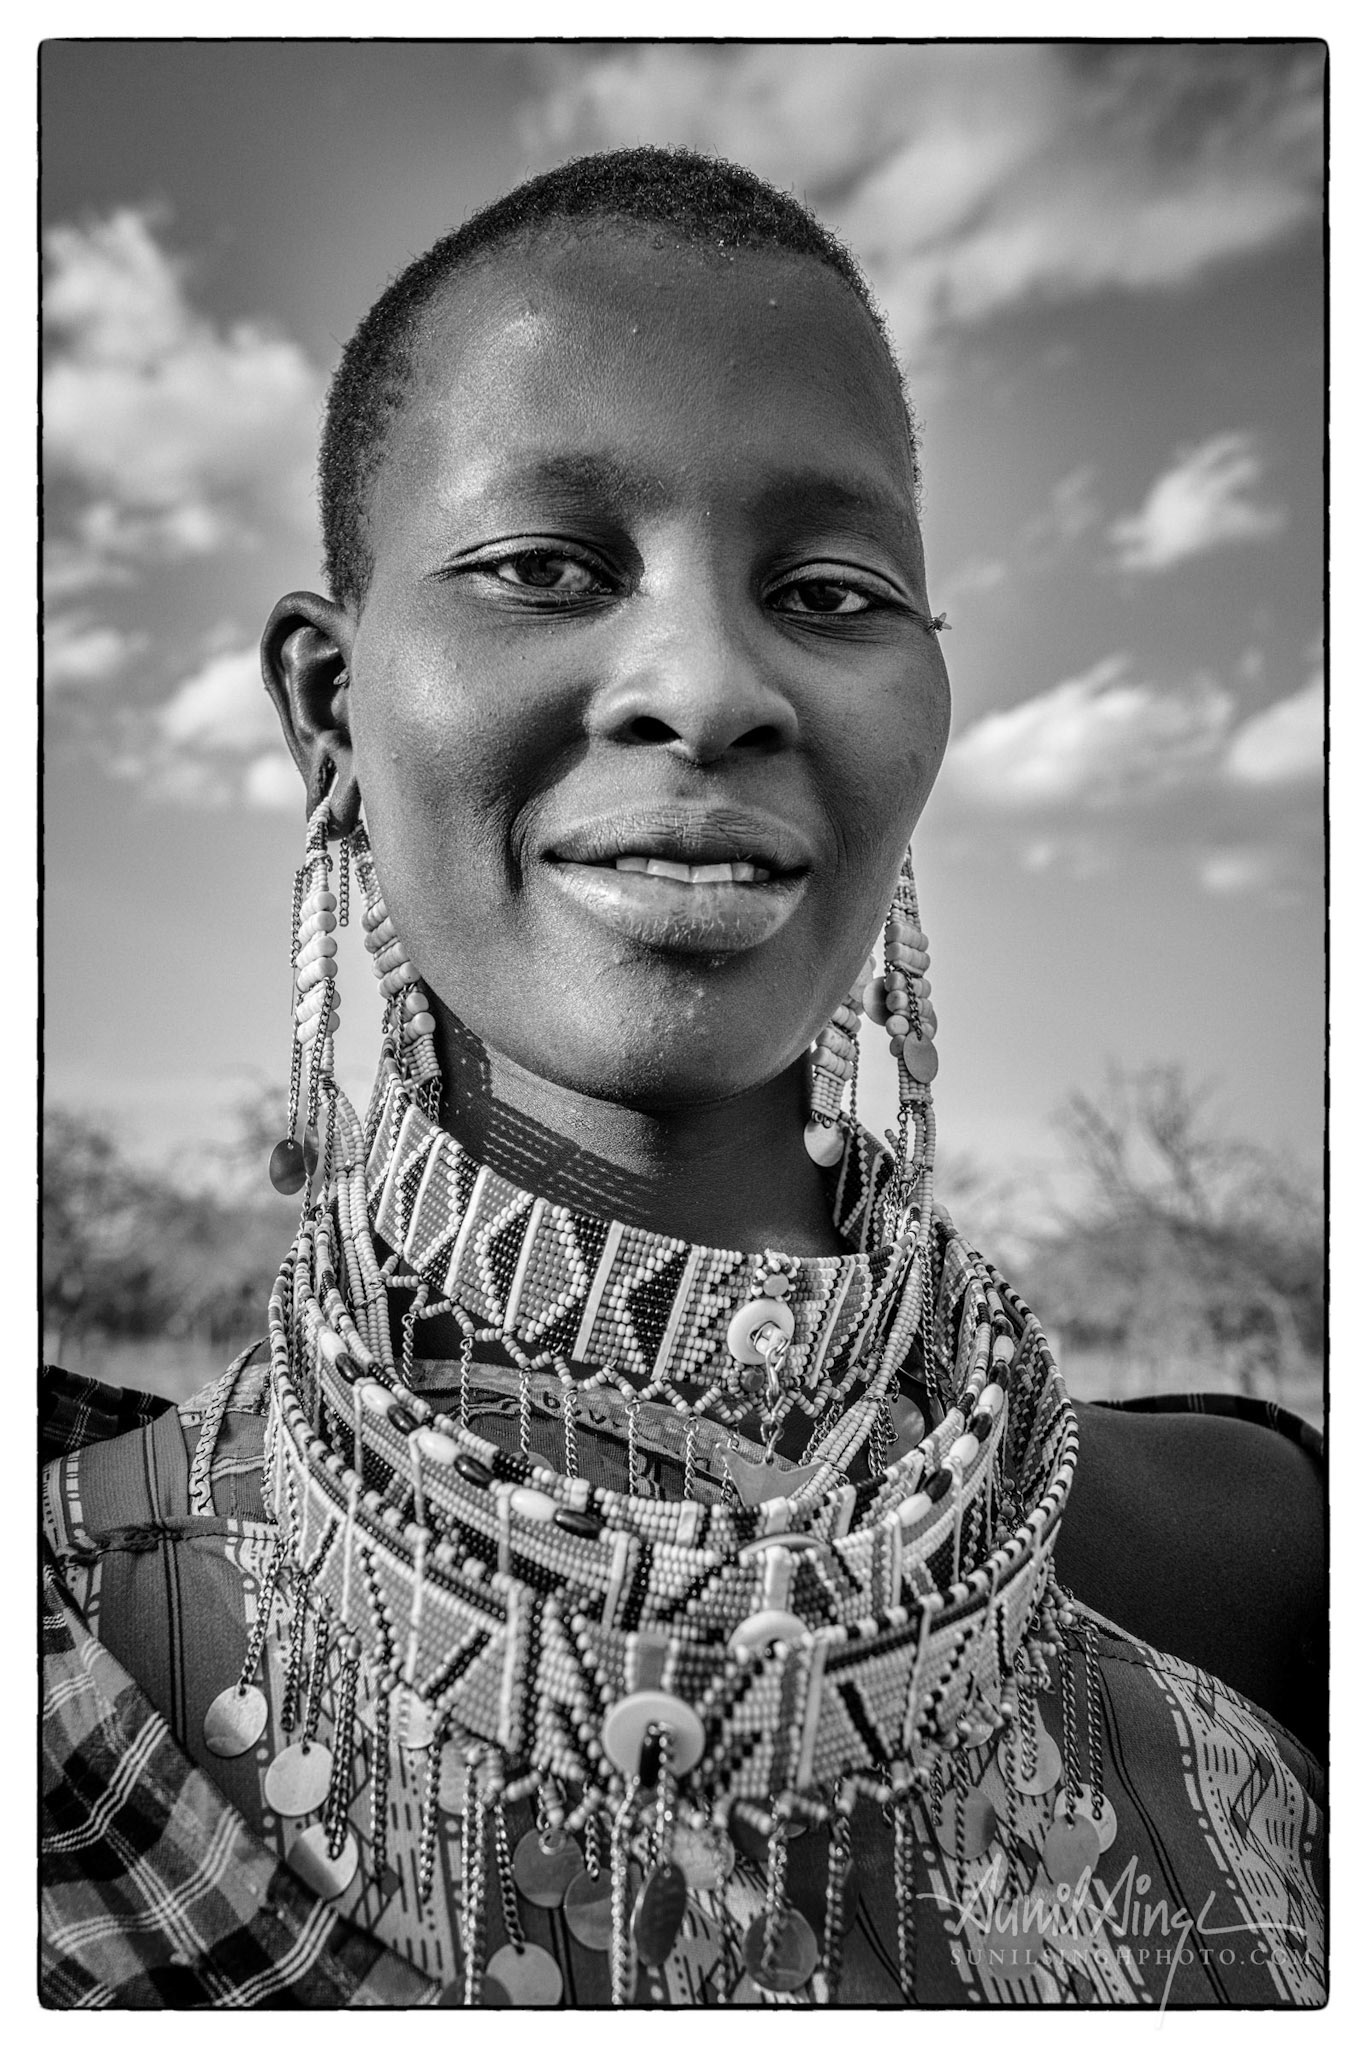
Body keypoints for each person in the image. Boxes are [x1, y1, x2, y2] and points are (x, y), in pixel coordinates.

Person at [40, 146, 1325, 2009]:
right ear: (329, 710)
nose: (704, 682)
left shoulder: (1262, 1571)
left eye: (828, 589)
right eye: (544, 567)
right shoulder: (71, 1645)